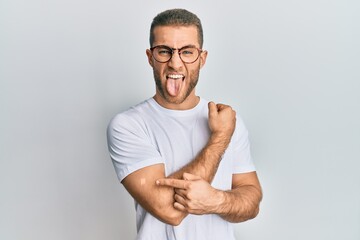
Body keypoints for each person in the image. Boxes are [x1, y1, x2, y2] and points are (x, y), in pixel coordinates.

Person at [107, 8, 262, 240]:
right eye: (164, 51)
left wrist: (216, 201)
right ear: (150, 57)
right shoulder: (129, 125)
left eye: (187, 52)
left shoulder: (227, 121)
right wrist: (220, 139)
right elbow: (169, 210)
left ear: (202, 58)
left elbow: (252, 203)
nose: (175, 63)